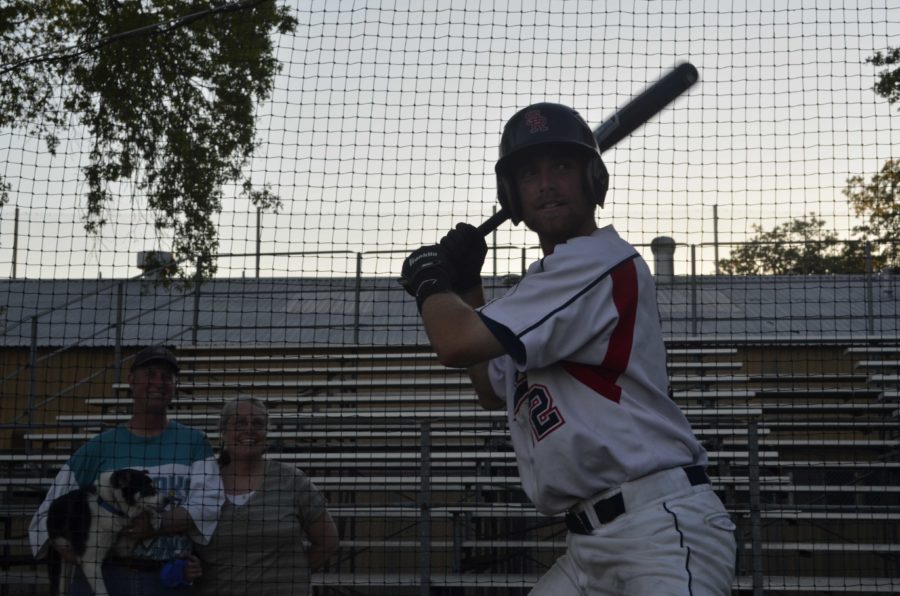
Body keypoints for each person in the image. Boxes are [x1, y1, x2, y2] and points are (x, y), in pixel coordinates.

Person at [400, 102, 737, 595]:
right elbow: (489, 388)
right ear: (511, 195)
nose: (546, 183)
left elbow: (453, 343)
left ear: (592, 181)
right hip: (589, 545)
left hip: (658, 529)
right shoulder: (541, 287)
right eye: (529, 173)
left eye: (562, 165)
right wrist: (468, 283)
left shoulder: (599, 260)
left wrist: (431, 281)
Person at [29, 345, 223, 595]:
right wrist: (67, 547)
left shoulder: (194, 443)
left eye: (167, 377)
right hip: (104, 577)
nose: (159, 382)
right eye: (150, 374)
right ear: (131, 380)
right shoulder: (98, 447)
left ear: (175, 385)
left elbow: (208, 505)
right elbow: (49, 512)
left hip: (165, 580)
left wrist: (157, 524)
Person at [191, 396, 338, 596]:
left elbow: (327, 542)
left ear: (266, 433)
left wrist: (291, 577)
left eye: (258, 423)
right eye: (240, 422)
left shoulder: (292, 480)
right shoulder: (202, 482)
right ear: (223, 433)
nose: (249, 429)